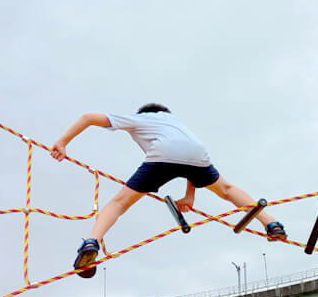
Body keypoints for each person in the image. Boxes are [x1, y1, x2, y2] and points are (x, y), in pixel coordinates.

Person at [52, 104, 287, 278]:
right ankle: (272, 223)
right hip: (197, 155)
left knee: (119, 203)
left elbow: (89, 117)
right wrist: (190, 196)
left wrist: (63, 142)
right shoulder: (178, 124)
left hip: (162, 156)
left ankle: (92, 241)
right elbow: (187, 161)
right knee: (226, 189)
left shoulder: (140, 119)